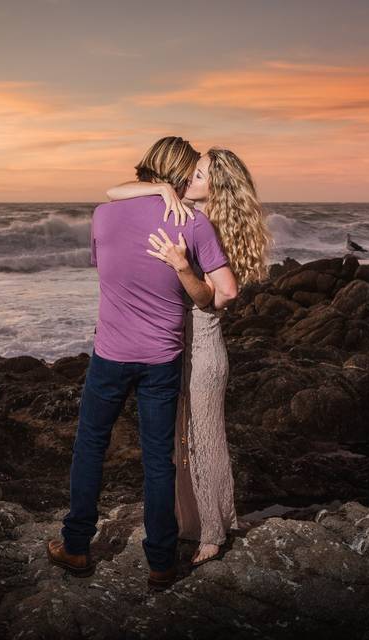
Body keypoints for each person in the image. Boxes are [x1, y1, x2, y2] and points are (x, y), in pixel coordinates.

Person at [46, 136, 238, 592]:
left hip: (111, 354)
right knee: (158, 460)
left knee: (90, 445)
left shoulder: (102, 215)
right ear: (178, 174)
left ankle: (76, 545)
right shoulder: (195, 224)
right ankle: (161, 563)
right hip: (163, 358)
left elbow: (105, 266)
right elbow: (219, 295)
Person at [105, 147, 272, 568]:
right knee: (185, 439)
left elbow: (223, 296)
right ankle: (199, 520)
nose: (187, 180)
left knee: (207, 440)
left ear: (218, 185)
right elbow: (112, 191)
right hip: (178, 345)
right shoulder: (187, 214)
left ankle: (213, 535)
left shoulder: (206, 225)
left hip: (203, 349)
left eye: (197, 175)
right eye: (189, 174)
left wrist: (181, 267)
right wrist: (160, 187)